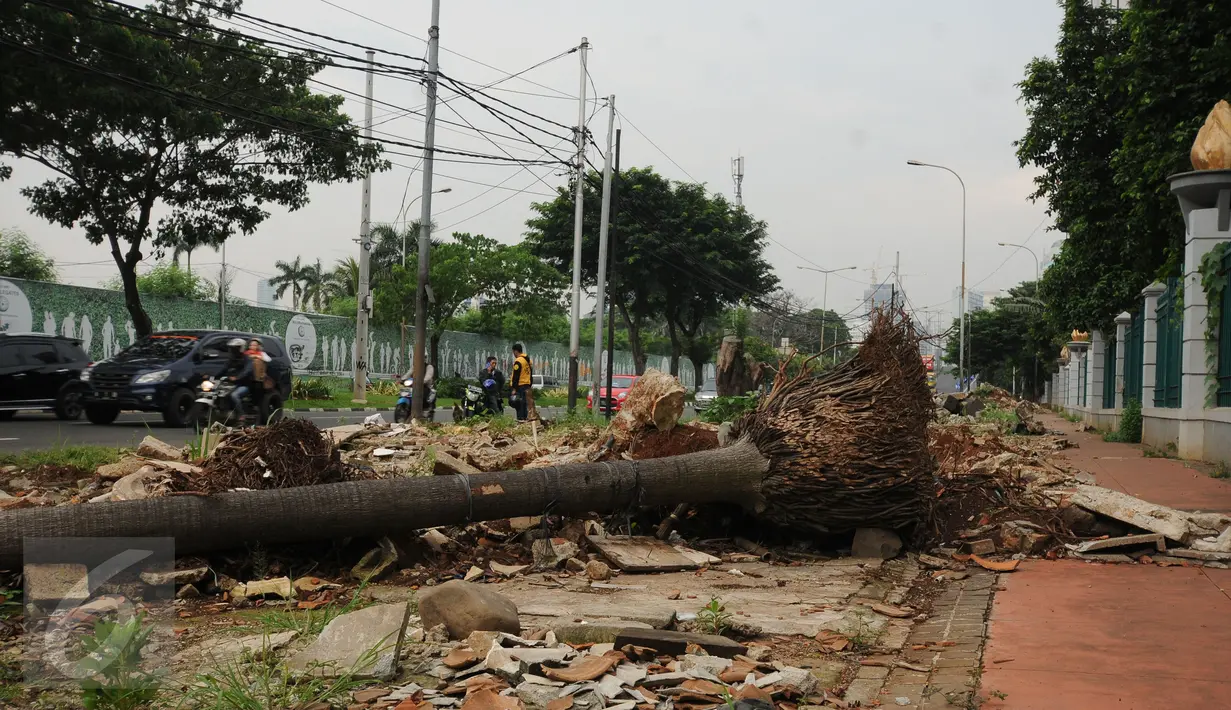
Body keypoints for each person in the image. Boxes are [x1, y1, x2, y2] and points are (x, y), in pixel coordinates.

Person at [222, 338, 254, 418]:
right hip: (231, 384)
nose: (232, 350)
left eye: (235, 348)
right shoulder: (231, 359)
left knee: (234, 395)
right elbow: (223, 369)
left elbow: (247, 371)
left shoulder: (247, 359)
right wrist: (211, 375)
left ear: (241, 348)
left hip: (244, 384)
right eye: (232, 348)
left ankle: (241, 416)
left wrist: (237, 378)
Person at [509, 343, 533, 421]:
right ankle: (525, 420)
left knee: (519, 404)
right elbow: (530, 373)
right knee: (525, 404)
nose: (513, 354)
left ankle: (521, 420)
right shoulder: (527, 360)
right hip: (527, 385)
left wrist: (514, 389)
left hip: (520, 386)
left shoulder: (518, 361)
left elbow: (516, 376)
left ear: (516, 351)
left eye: (513, 352)